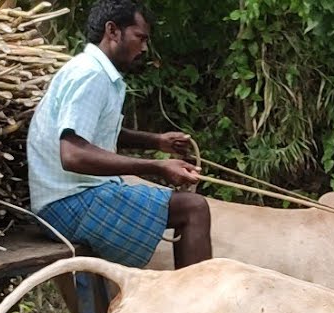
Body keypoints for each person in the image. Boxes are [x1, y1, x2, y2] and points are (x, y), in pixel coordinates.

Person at [28, 0, 212, 269]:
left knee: (189, 206)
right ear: (113, 31)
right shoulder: (90, 75)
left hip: (68, 198)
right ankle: (198, 304)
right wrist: (158, 167)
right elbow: (73, 155)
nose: (145, 48)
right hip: (67, 204)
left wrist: (156, 141)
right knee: (193, 208)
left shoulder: (94, 71)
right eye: (140, 37)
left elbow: (96, 130)